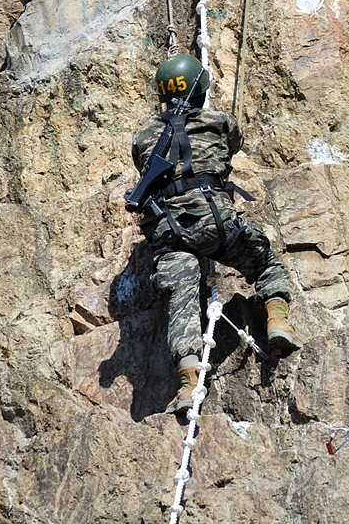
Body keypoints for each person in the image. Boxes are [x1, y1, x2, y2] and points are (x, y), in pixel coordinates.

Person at [129, 54, 304, 415]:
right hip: (215, 221)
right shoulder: (218, 121)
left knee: (181, 303)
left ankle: (188, 383)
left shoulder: (144, 135)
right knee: (266, 264)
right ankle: (277, 320)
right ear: (200, 89)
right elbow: (233, 141)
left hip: (169, 232)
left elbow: (143, 159)